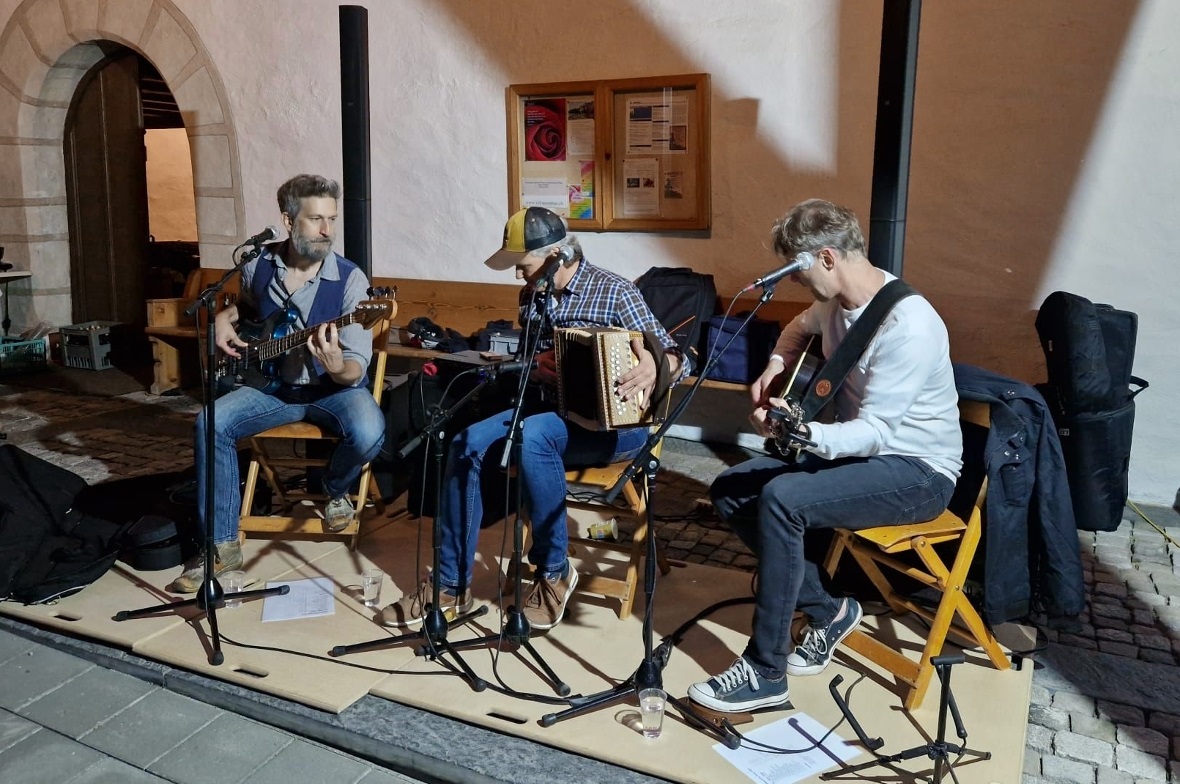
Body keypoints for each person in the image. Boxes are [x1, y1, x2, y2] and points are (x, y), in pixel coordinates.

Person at [687, 199, 963, 713]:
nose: (796, 282)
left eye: (799, 269)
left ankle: (766, 671)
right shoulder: (838, 301)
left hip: (918, 472)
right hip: (864, 453)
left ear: (828, 258)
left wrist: (802, 433)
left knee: (783, 500)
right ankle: (829, 611)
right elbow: (798, 327)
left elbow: (877, 433)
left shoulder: (908, 324)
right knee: (731, 489)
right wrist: (775, 364)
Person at [380, 206, 685, 630]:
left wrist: (656, 364)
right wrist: (537, 365)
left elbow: (678, 356)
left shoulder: (615, 292)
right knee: (465, 443)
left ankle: (554, 571)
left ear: (556, 255)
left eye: (523, 266)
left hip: (620, 429)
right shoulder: (533, 296)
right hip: (553, 417)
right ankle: (452, 587)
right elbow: (531, 362)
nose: (518, 276)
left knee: (533, 435)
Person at [169, 174, 385, 593]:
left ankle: (334, 488)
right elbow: (249, 312)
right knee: (210, 422)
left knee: (370, 430)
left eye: (331, 219)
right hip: (272, 389)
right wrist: (222, 318)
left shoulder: (351, 281)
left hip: (333, 391)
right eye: (315, 220)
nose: (327, 231)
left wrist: (336, 364)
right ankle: (221, 547)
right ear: (288, 221)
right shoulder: (256, 266)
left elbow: (356, 370)